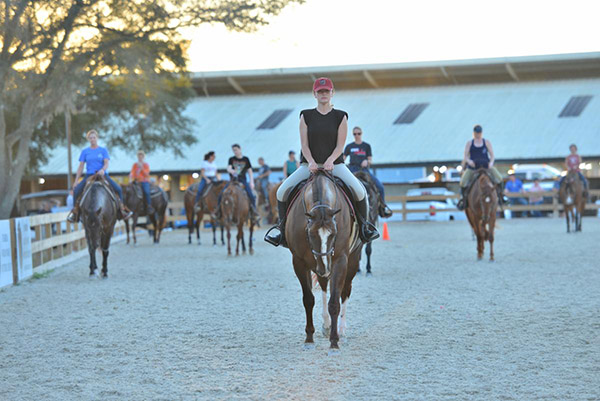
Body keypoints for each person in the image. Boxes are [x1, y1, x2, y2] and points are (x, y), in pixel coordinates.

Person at [265, 77, 379, 247]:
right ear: (315, 94)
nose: (323, 94)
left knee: (360, 191)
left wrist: (331, 160)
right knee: (281, 191)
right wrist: (310, 162)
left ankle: (364, 229)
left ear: (332, 93)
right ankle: (282, 231)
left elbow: (340, 145)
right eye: (320, 92)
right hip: (309, 166)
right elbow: (304, 144)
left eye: (327, 91)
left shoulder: (341, 116)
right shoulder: (306, 116)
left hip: (336, 166)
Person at [67, 129, 132, 222]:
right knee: (76, 191)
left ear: (97, 138)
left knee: (118, 189)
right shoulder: (85, 151)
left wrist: (102, 170)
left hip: (102, 175)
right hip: (89, 175)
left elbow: (106, 163)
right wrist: (76, 181)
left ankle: (122, 210)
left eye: (94, 137)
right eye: (90, 138)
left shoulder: (103, 150)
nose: (92, 139)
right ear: (88, 139)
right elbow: (81, 167)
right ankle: (75, 213)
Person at [343, 126, 392, 218]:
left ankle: (383, 207)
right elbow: (343, 159)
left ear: (361, 134)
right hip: (352, 170)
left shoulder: (366, 146)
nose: (357, 135)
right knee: (342, 184)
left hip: (364, 170)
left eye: (358, 133)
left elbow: (370, 160)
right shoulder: (349, 146)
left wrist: (367, 162)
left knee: (380, 187)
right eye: (355, 134)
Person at [457, 125, 506, 210]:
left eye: (479, 133)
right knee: (463, 182)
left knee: (499, 178)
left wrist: (491, 163)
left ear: (481, 133)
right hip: (473, 168)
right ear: (474, 133)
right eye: (476, 133)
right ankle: (463, 200)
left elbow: (492, 155)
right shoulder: (469, 143)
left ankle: (502, 196)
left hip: (486, 166)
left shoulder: (486, 142)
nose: (478, 135)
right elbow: (465, 156)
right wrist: (469, 161)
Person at [216, 144, 258, 221]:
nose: (235, 152)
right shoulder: (231, 159)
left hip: (242, 180)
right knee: (221, 193)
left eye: (236, 150)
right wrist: (232, 171)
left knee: (251, 195)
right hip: (233, 180)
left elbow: (250, 171)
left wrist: (252, 182)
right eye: (233, 150)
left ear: (240, 149)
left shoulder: (246, 159)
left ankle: (254, 211)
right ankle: (218, 211)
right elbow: (228, 168)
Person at [129, 150, 155, 214]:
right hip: (136, 181)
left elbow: (147, 174)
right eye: (139, 156)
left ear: (143, 157)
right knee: (130, 191)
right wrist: (130, 177)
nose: (140, 157)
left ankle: (149, 205)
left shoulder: (146, 165)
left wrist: (142, 168)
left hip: (144, 181)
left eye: (141, 156)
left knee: (146, 192)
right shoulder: (135, 165)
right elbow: (132, 172)